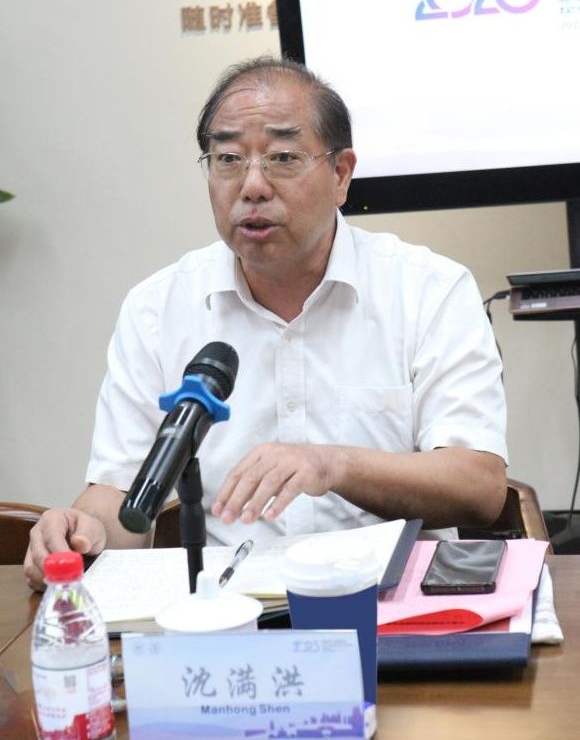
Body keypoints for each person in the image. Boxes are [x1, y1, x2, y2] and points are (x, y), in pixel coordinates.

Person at [24, 56, 507, 591]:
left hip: (392, 605)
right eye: (228, 159)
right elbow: (119, 494)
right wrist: (83, 530)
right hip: (232, 609)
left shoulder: (429, 290)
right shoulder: (157, 309)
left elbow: (478, 485)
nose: (252, 186)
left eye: (282, 158)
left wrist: (334, 466)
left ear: (341, 174)